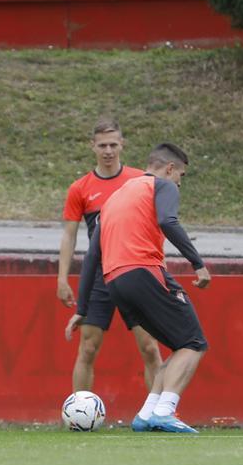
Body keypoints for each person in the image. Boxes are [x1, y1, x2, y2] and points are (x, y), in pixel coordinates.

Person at [76, 143, 211, 434]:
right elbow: (167, 220)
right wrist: (197, 263)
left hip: (115, 282)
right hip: (143, 271)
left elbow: (91, 256)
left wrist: (81, 308)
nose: (179, 184)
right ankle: (165, 411)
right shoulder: (162, 185)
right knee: (194, 343)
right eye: (181, 176)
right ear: (170, 168)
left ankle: (147, 413)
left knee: (178, 346)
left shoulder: (115, 197)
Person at [58, 118, 161, 410]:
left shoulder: (141, 181)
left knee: (150, 347)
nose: (108, 151)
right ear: (92, 147)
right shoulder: (80, 188)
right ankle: (80, 414)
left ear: (122, 145)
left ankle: (156, 415)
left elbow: (158, 224)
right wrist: (62, 278)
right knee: (88, 348)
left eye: (113, 144)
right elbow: (69, 236)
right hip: (100, 276)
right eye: (102, 145)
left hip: (135, 274)